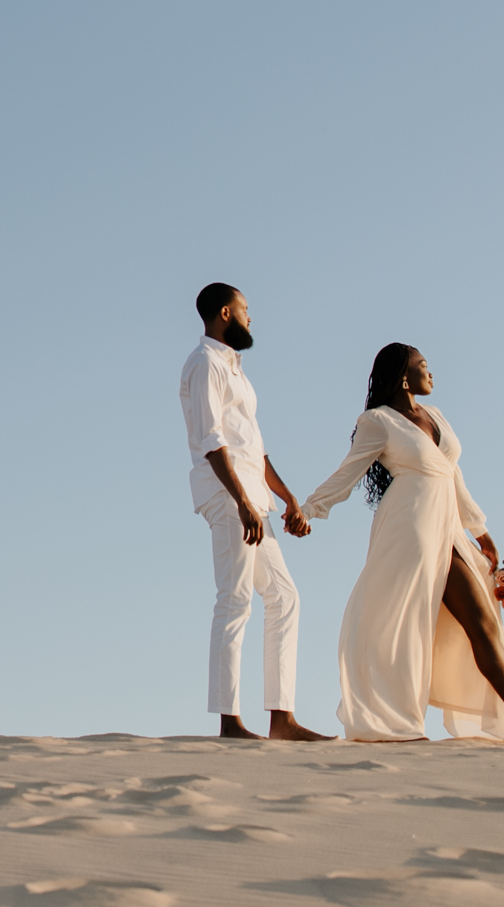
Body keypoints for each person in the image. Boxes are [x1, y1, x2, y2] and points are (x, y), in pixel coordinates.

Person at [298, 343, 504, 743]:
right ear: (404, 376)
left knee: (483, 621)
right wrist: (310, 509)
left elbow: (454, 476)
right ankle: (400, 724)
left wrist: (480, 530)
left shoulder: (436, 415)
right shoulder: (377, 421)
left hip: (448, 527)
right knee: (406, 624)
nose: (431, 374)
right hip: (410, 527)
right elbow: (347, 473)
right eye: (423, 366)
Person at [179, 284, 332, 740]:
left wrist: (286, 498)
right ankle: (230, 722)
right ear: (226, 312)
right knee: (235, 599)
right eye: (246, 310)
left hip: (252, 500)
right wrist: (243, 501)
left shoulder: (236, 370)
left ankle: (281, 719)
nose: (251, 318)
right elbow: (211, 440)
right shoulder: (204, 363)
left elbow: (256, 450)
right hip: (229, 498)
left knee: (285, 597)